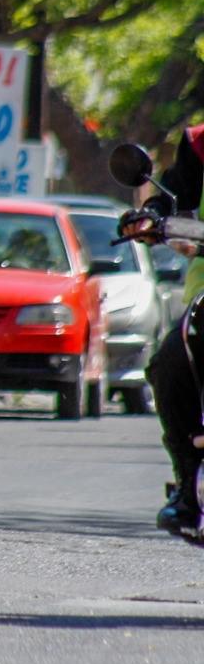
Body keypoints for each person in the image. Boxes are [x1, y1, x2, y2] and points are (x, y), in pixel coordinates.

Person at [123, 124, 204, 532]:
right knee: (169, 365)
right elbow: (173, 197)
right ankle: (189, 486)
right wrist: (150, 216)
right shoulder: (199, 143)